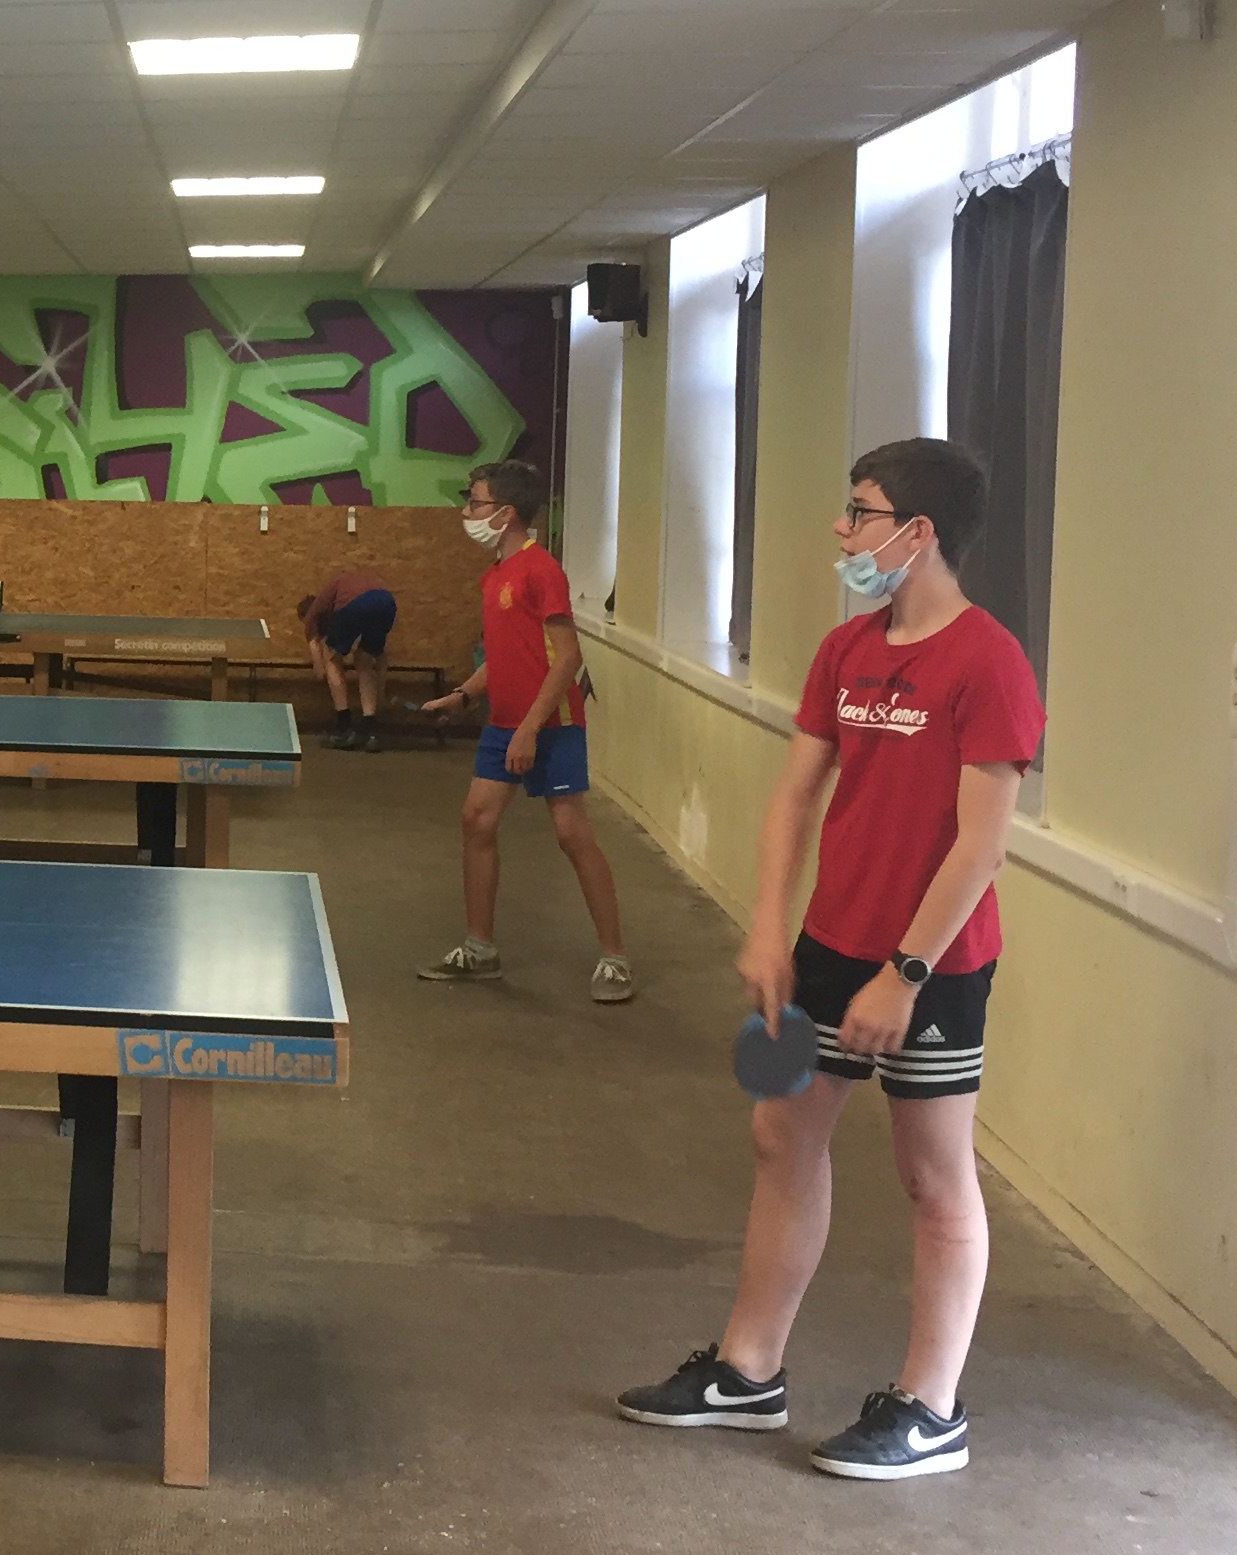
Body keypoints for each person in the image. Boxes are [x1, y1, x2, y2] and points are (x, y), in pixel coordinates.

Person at [618, 439, 1039, 1481]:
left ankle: (930, 1409)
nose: (843, 532)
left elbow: (981, 847)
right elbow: (796, 797)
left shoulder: (989, 661)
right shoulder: (845, 650)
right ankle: (747, 1371)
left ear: (918, 532)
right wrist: (768, 927)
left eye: (861, 513)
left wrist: (905, 974)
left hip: (935, 967)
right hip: (826, 948)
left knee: (931, 1176)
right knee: (780, 1134)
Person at [416, 461, 632, 1001]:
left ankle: (614, 960)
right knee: (476, 820)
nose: (467, 512)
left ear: (506, 512)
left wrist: (530, 730)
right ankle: (480, 949)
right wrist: (464, 695)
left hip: (551, 723)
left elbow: (567, 657)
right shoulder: (495, 575)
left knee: (570, 832)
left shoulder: (541, 571)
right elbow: (505, 657)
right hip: (503, 722)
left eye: (475, 502)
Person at [300, 562, 397, 751]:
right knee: (364, 659)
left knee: (331, 656)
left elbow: (317, 657)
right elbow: (381, 658)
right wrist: (381, 691)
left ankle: (343, 726)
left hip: (357, 605)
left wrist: (320, 667)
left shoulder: (315, 610)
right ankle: (370, 728)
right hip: (387, 603)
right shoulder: (359, 583)